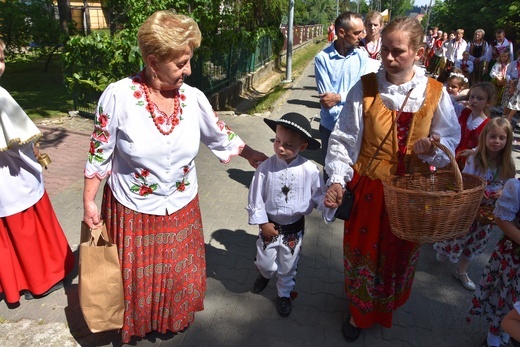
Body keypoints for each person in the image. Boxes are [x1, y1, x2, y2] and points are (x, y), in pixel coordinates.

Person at [82, 11, 267, 343]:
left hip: (181, 206)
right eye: (181, 63)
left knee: (175, 272)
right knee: (138, 277)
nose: (189, 70)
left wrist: (251, 154)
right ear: (153, 61)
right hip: (133, 208)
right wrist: (88, 201)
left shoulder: (192, 98)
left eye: (189, 60)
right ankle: (137, 324)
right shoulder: (119, 96)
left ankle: (170, 320)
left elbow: (218, 133)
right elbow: (100, 151)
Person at [323, 17, 460, 342]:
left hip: (410, 197)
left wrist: (432, 148)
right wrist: (338, 180)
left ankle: (383, 308)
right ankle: (359, 314)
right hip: (370, 190)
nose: (388, 57)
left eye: (397, 51)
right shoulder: (366, 86)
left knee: (397, 257)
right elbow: (344, 138)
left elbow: (451, 138)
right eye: (384, 49)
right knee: (363, 253)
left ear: (418, 52)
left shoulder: (435, 93)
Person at [0, 39, 75, 303]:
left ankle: (13, 284)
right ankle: (43, 279)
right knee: (28, 230)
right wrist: (35, 159)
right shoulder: (0, 96)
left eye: (2, 58)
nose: (1, 65)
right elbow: (20, 145)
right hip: (12, 178)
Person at [247, 112, 335, 317]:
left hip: (294, 228)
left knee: (288, 264)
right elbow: (255, 197)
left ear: (302, 147)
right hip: (269, 224)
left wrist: (327, 202)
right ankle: (264, 273)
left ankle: (284, 293)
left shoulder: (310, 170)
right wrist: (262, 224)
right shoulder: (265, 168)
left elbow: (318, 196)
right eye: (277, 141)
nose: (280, 148)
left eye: (288, 145)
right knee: (266, 263)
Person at [434, 118, 515, 291]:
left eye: (502, 138)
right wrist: (478, 190)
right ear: (485, 137)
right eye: (493, 136)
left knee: (475, 242)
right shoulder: (475, 159)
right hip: (469, 208)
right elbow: (465, 180)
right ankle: (444, 249)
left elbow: (509, 185)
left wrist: (502, 192)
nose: (497, 141)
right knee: (456, 235)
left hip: (487, 214)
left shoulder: (507, 164)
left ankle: (462, 271)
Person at [315, 11, 379, 181]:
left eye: (362, 32)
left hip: (356, 126)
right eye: (357, 33)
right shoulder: (322, 59)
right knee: (331, 171)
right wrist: (349, 98)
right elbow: (327, 102)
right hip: (330, 127)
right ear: (342, 33)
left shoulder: (362, 56)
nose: (362, 36)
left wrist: (339, 97)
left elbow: (365, 91)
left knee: (353, 172)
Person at [468, 177, 520, 347]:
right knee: (506, 295)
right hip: (513, 259)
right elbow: (502, 219)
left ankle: (509, 331)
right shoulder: (516, 187)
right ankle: (494, 335)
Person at [453, 82, 495, 170]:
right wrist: (464, 97)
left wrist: (473, 151)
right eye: (472, 97)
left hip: (470, 164)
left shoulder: (489, 124)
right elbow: (448, 101)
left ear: (488, 102)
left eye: (480, 98)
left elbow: (488, 145)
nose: (474, 100)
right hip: (453, 157)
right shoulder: (462, 111)